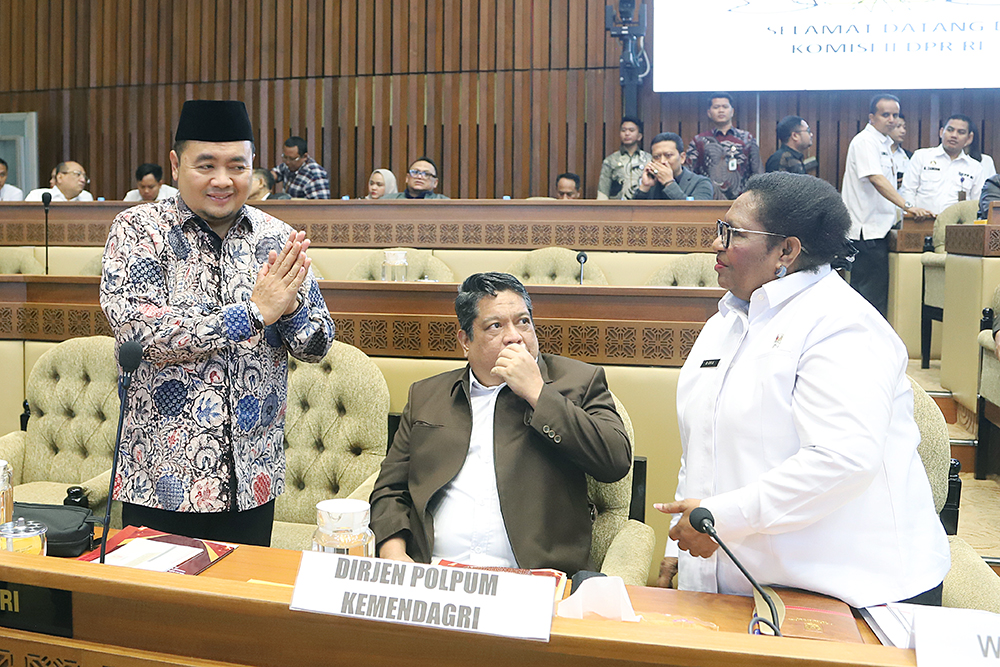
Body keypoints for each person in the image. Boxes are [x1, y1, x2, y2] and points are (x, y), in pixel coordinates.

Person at [655, 172, 950, 608]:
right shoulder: (726, 321)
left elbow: (842, 460)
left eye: (733, 233)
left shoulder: (843, 324)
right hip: (742, 585)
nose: (716, 244)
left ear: (787, 250)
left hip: (853, 594)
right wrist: (680, 548)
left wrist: (719, 519)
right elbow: (705, 445)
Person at [100, 100, 335, 547]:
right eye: (205, 165)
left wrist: (289, 311)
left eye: (237, 166)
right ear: (175, 165)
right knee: (155, 614)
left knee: (239, 613)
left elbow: (317, 344)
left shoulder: (277, 237)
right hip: (161, 476)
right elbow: (138, 329)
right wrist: (252, 315)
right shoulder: (138, 229)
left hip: (251, 478)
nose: (223, 180)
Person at [370, 272, 630, 575]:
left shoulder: (579, 382)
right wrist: (394, 554)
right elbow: (390, 489)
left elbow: (615, 460)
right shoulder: (426, 395)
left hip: (531, 580)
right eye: (496, 326)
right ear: (465, 340)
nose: (515, 336)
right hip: (433, 573)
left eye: (523, 322)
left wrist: (538, 394)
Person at [841, 94, 932, 318]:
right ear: (872, 117)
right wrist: (908, 206)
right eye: (885, 115)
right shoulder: (865, 141)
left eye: (895, 115)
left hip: (880, 230)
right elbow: (876, 179)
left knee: (875, 295)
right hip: (866, 232)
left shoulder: (883, 143)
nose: (891, 119)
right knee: (869, 298)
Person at [901, 114, 986, 217]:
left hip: (957, 227)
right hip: (921, 221)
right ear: (941, 132)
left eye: (961, 132)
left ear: (969, 138)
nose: (954, 135)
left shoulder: (975, 167)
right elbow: (908, 190)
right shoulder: (921, 156)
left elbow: (976, 203)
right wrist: (910, 211)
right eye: (950, 130)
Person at [687, 93, 762, 200]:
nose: (721, 110)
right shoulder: (699, 140)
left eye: (725, 107)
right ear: (709, 113)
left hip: (742, 201)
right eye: (716, 107)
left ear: (732, 111)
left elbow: (757, 172)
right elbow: (690, 174)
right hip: (709, 201)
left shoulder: (747, 139)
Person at [633, 132, 714, 201]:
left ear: (682, 158)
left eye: (668, 155)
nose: (662, 161)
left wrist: (669, 183)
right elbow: (632, 214)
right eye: (656, 157)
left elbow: (697, 213)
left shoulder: (701, 183)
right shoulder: (651, 182)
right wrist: (644, 187)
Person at [597, 116, 651, 200]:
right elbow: (603, 191)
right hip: (617, 208)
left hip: (643, 207)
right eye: (623, 130)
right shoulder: (610, 160)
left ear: (639, 136)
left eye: (631, 130)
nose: (627, 133)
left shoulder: (649, 159)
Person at [25, 161, 94, 202]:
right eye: (77, 174)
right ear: (60, 177)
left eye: (84, 176)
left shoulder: (86, 197)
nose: (83, 180)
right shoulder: (38, 196)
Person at [383, 158, 449, 199]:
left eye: (426, 174)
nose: (419, 177)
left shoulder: (445, 204)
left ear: (435, 183)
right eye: (415, 172)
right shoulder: (387, 201)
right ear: (407, 178)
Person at [889, 114, 911, 188]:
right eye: (898, 126)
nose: (903, 131)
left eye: (904, 127)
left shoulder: (909, 156)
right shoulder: (877, 152)